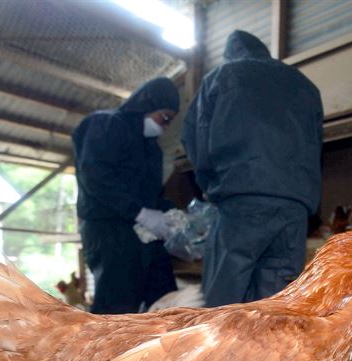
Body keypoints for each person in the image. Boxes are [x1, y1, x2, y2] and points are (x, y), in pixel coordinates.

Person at [181, 30, 324, 307]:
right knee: (277, 309)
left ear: (230, 54)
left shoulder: (221, 77)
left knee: (222, 308)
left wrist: (211, 188)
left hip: (242, 202)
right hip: (294, 211)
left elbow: (196, 140)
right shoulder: (305, 85)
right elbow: (316, 146)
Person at [72, 77, 180, 314]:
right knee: (117, 305)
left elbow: (152, 192)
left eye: (171, 122)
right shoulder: (105, 124)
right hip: (109, 230)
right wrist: (140, 213)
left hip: (140, 232)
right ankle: (105, 351)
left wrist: (170, 216)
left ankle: (164, 347)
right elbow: (96, 178)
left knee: (165, 299)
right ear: (147, 105)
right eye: (165, 118)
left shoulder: (152, 148)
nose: (166, 126)